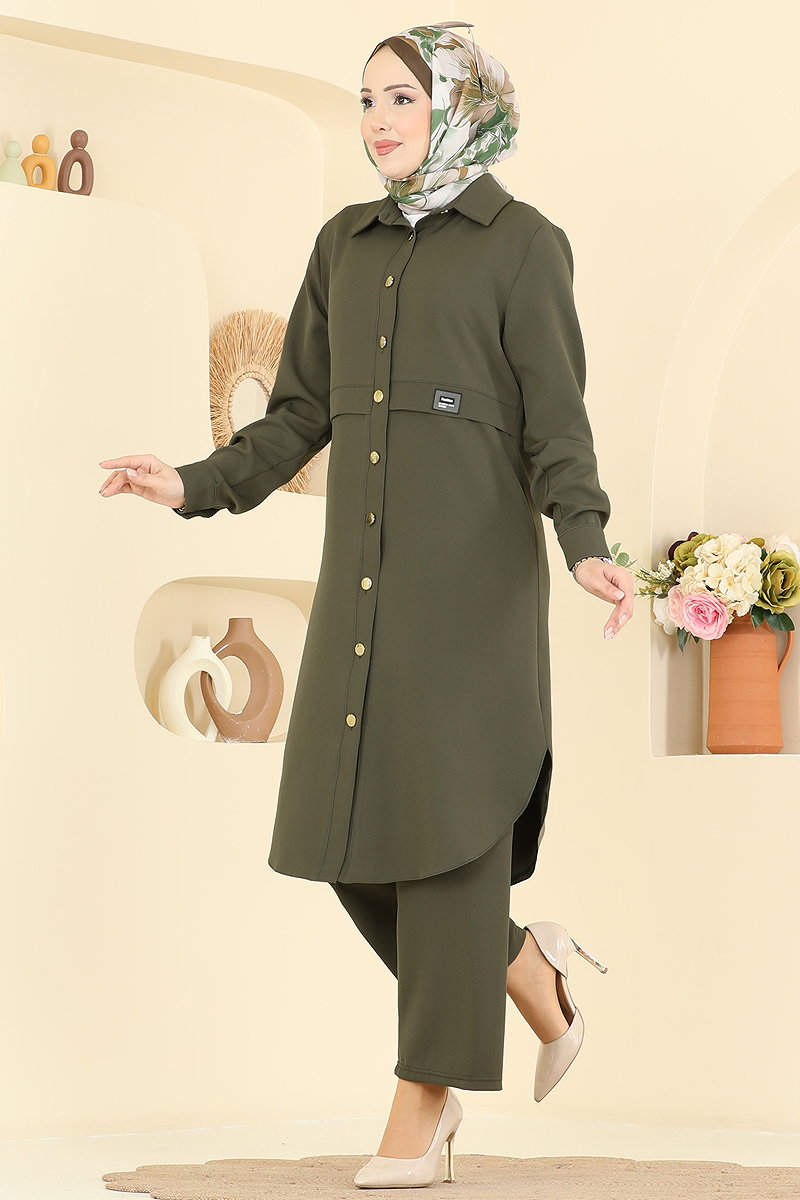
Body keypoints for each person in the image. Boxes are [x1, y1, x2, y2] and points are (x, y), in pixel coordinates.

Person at [99, 21, 634, 1191]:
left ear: (460, 108)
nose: (378, 120)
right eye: (366, 100)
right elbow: (298, 417)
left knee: (448, 842)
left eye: (402, 97)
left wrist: (585, 543)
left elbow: (557, 426)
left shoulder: (522, 246)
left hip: (472, 599)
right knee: (341, 835)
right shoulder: (342, 244)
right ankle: (525, 967)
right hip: (362, 593)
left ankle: (421, 1107)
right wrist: (191, 483)